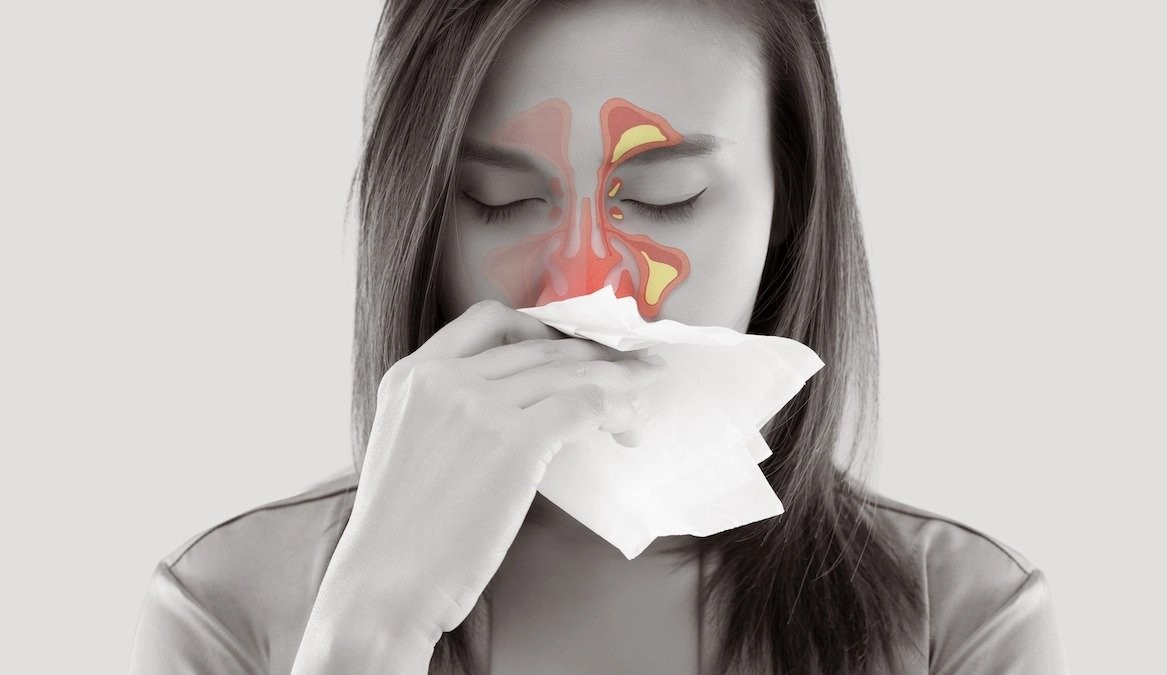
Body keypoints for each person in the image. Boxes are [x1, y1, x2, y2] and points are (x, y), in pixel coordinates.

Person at [129, 0, 1070, 672]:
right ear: (421, 216)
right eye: (502, 202)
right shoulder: (231, 609)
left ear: (791, 201)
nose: (586, 286)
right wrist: (372, 622)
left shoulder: (958, 618)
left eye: (668, 201)